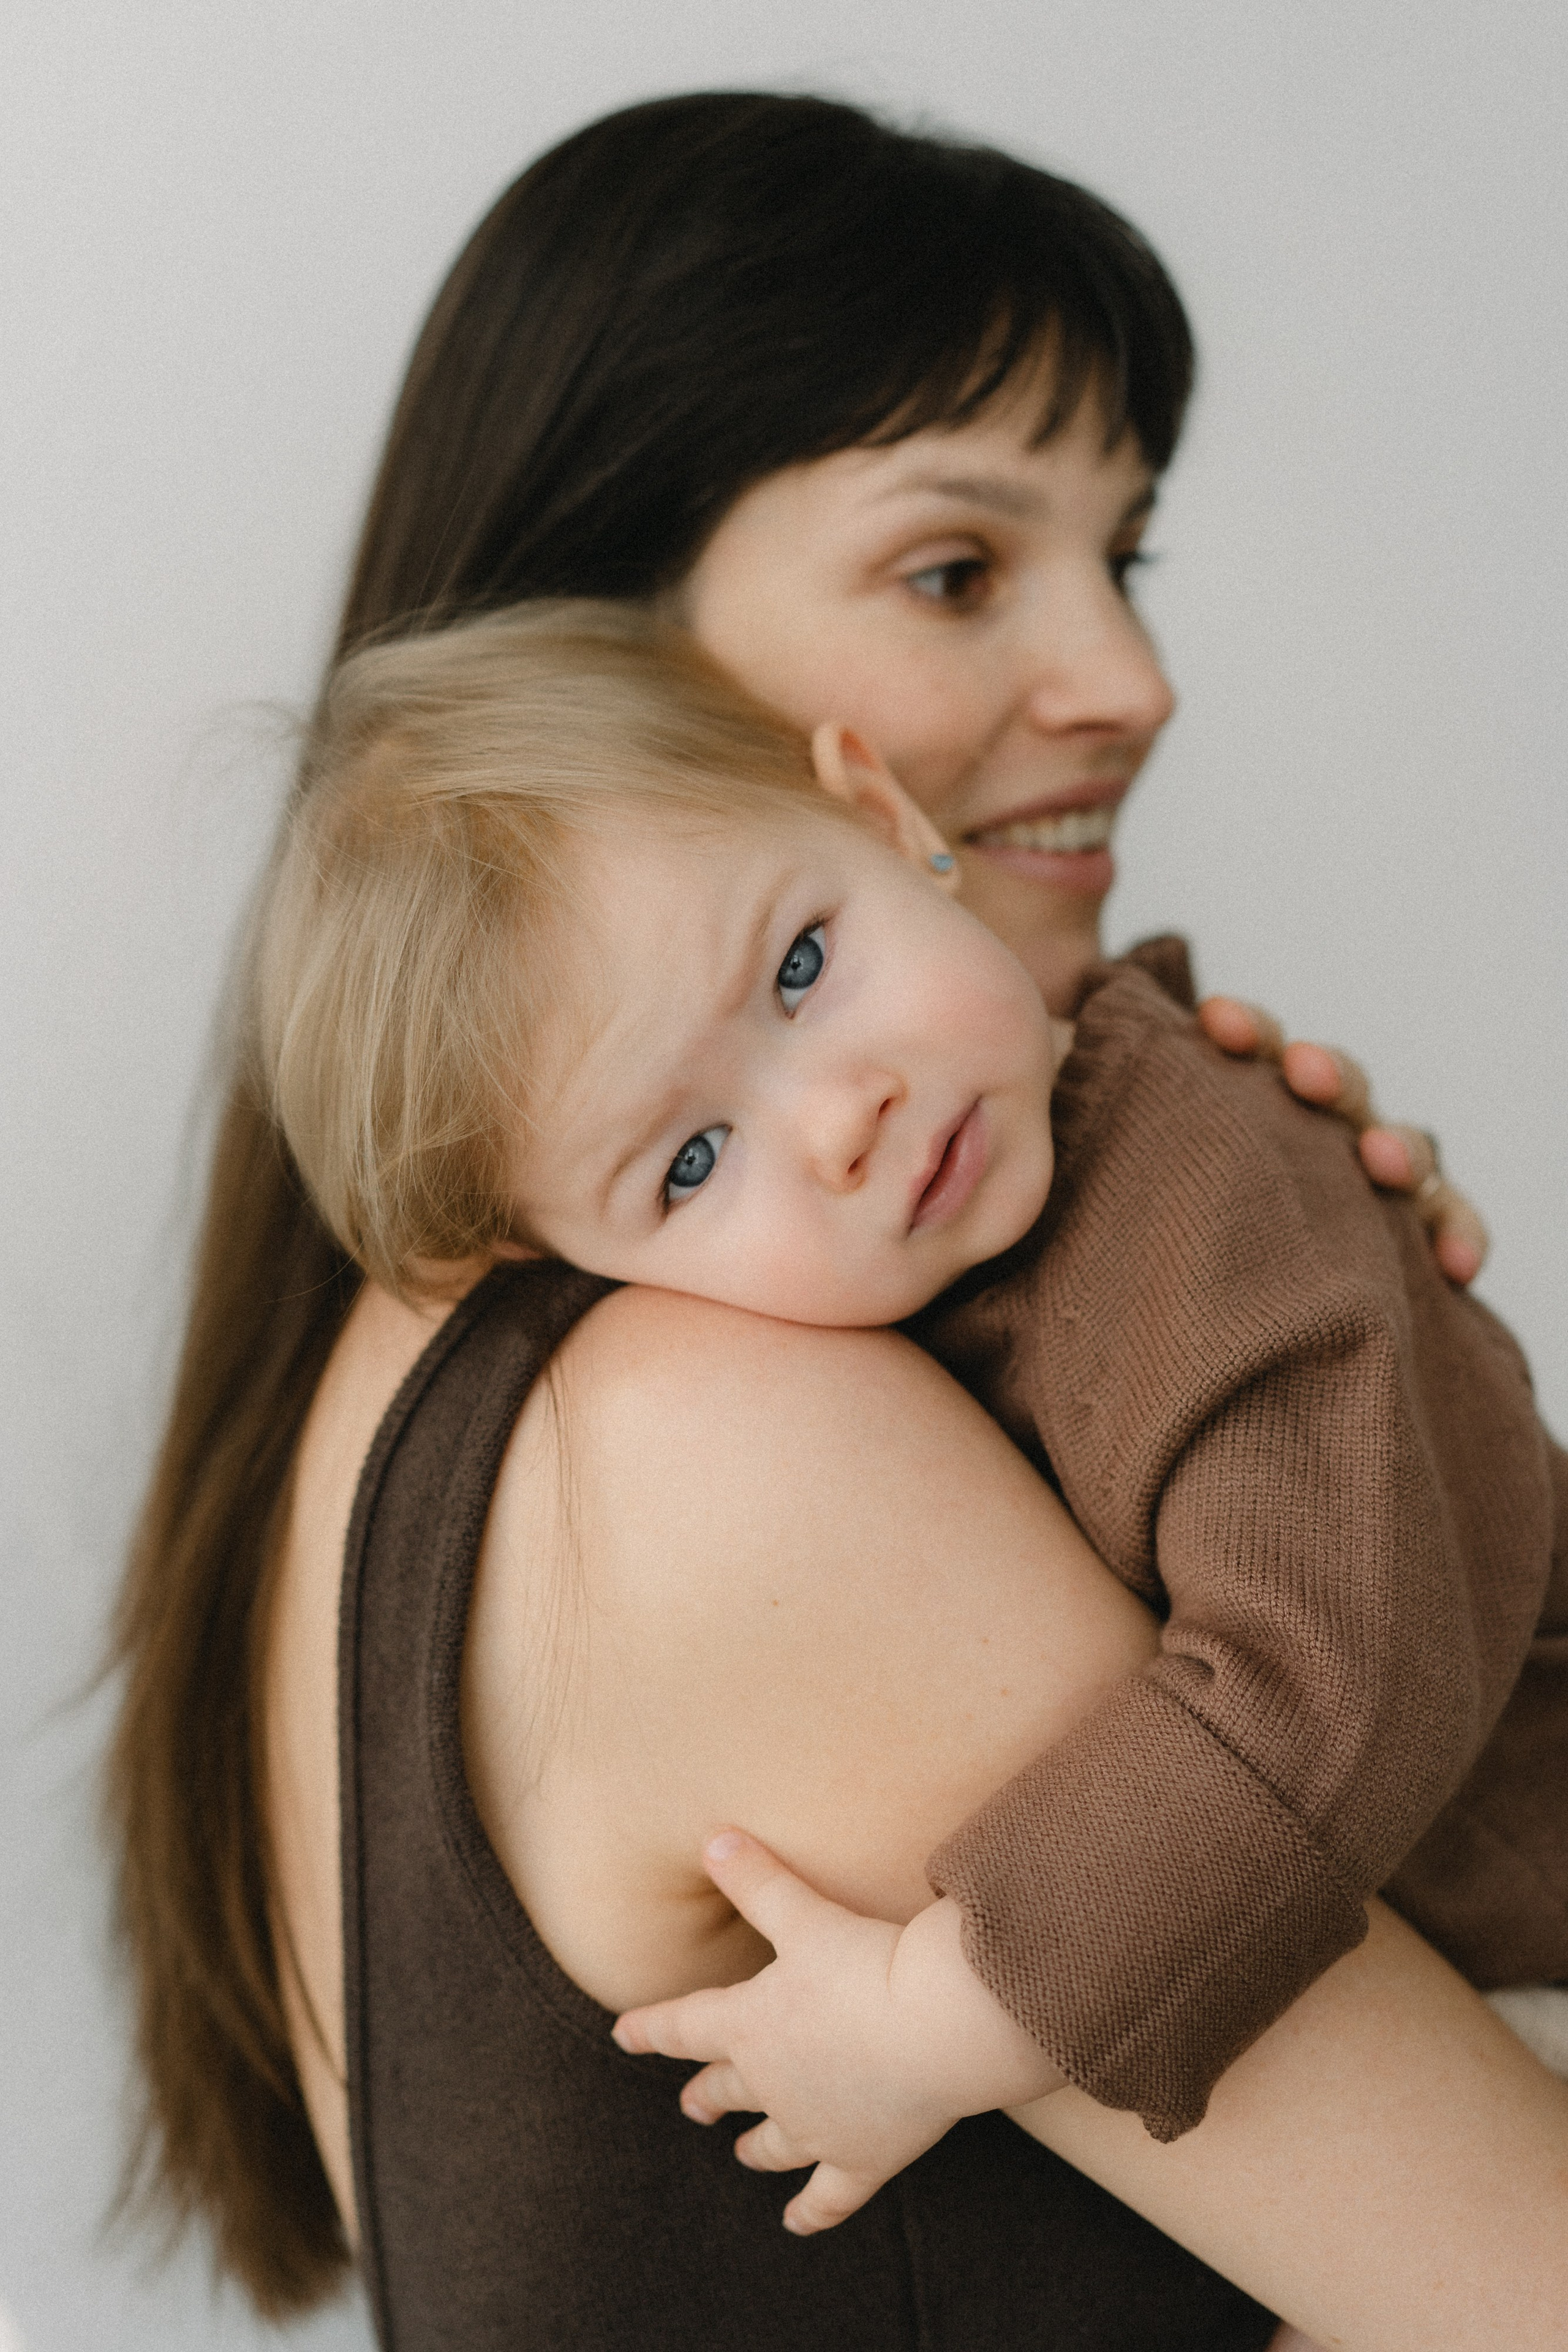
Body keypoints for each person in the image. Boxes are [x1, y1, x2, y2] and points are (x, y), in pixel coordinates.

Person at [107, 91, 1537, 2346]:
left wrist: (1331, 1374)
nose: (1130, 686)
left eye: (1122, 555)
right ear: (610, 631)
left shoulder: (481, 1371)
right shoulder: (703, 1441)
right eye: (956, 569)